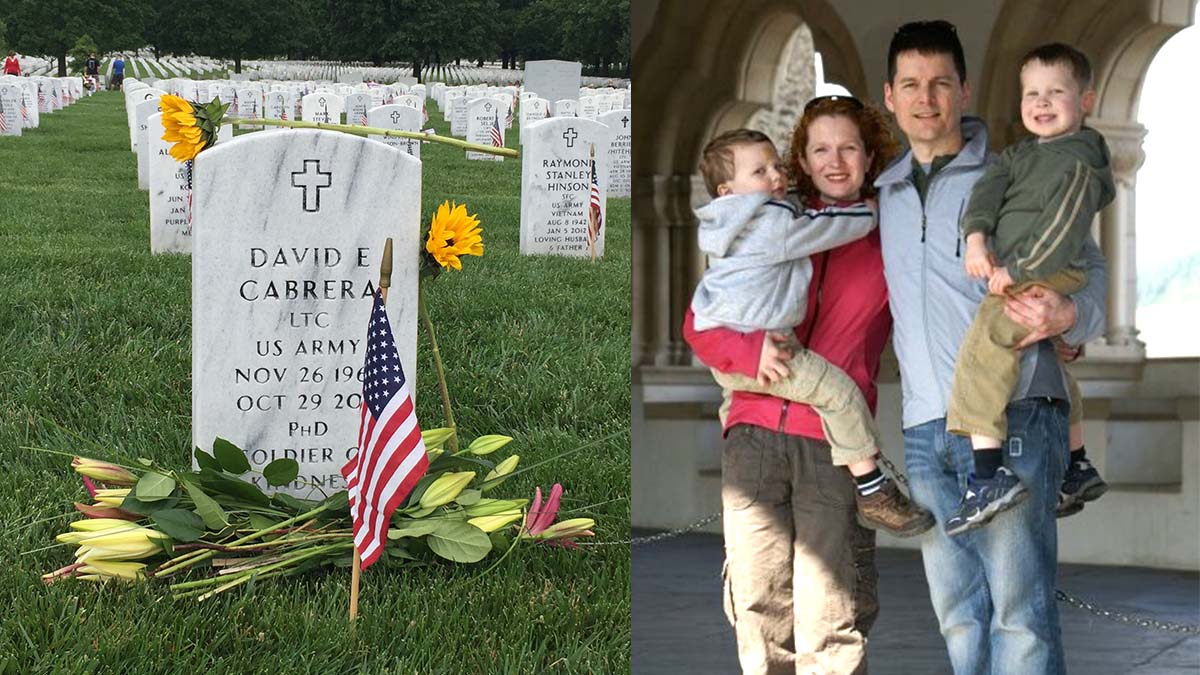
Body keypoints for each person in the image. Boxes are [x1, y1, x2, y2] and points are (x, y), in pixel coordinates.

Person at [876, 20, 1107, 674]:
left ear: (965, 90)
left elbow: (1090, 274)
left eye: (941, 83)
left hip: (1014, 416)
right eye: (912, 85)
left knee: (1021, 615)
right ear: (890, 96)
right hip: (925, 427)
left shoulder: (1015, 174)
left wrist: (1069, 315)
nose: (927, 98)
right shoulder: (883, 193)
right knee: (959, 614)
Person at [684, 95, 902, 674]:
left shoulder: (890, 233)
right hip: (753, 432)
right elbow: (701, 319)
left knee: (829, 612)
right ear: (801, 158)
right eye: (820, 148)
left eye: (849, 147)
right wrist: (748, 351)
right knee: (758, 608)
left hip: (831, 440)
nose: (835, 161)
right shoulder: (769, 218)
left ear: (869, 154)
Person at [691, 126, 933, 538]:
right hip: (767, 358)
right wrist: (875, 208)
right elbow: (835, 226)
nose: (774, 176)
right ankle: (873, 491)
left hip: (737, 370)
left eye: (775, 165)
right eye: (760, 171)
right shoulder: (773, 222)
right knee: (840, 395)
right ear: (728, 190)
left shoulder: (725, 225)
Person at [944, 42, 1114, 535]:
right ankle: (1077, 463)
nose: (1040, 103)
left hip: (1046, 271)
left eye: (1055, 92)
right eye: (1031, 93)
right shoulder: (1020, 155)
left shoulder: (1079, 162)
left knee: (985, 343)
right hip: (1022, 268)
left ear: (1085, 100)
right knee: (1055, 359)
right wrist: (976, 237)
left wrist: (1016, 270)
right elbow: (987, 191)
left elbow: (1062, 232)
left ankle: (986, 476)